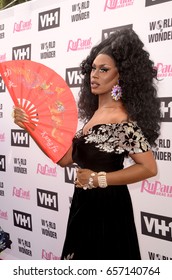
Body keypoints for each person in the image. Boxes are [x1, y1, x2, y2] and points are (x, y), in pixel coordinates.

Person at [13, 28, 161, 260]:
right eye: (93, 68)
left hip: (109, 210)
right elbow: (64, 159)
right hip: (84, 206)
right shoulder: (93, 117)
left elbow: (149, 168)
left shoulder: (122, 121)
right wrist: (30, 126)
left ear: (121, 75)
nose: (94, 75)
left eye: (104, 70)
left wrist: (98, 179)